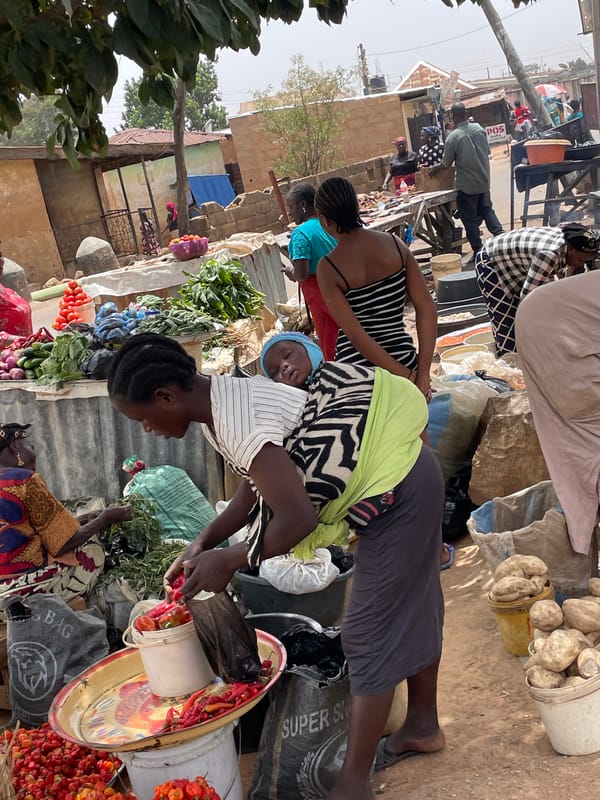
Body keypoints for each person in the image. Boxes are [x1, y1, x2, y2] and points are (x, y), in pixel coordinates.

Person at [107, 332, 445, 800]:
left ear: (167, 396)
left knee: (367, 633)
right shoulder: (220, 400)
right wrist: (204, 539)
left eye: (144, 418)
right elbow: (258, 481)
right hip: (410, 476)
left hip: (398, 494)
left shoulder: (235, 420)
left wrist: (232, 558)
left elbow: (298, 516)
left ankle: (352, 785)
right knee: (416, 603)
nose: (148, 429)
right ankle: (423, 725)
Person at [261, 330, 455, 570]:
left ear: (309, 348)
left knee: (416, 501)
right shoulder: (292, 410)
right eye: (274, 370)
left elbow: (388, 396)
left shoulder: (342, 374)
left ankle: (436, 550)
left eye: (287, 354)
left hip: (392, 462)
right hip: (358, 483)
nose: (285, 366)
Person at [314, 176, 437, 402]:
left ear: (324, 220)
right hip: (402, 355)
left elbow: (357, 336)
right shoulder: (394, 244)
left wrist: (407, 378)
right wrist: (422, 375)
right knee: (418, 433)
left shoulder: (329, 268)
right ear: (356, 206)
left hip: (358, 374)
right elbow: (427, 308)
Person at [515, 271, 600, 558]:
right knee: (588, 440)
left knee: (582, 444)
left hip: (544, 324)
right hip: (552, 335)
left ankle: (586, 531)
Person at [0, 423, 131, 607]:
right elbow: (61, 545)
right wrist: (105, 519)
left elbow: (23, 530)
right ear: (15, 446)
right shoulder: (23, 480)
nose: (34, 454)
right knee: (91, 547)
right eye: (31, 447)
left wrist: (80, 520)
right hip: (17, 596)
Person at [475, 223, 600, 355]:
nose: (580, 264)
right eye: (580, 260)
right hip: (492, 263)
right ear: (571, 249)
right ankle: (510, 364)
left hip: (519, 265)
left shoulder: (570, 241)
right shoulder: (549, 254)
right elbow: (527, 299)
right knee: (506, 322)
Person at [430, 102, 503, 261]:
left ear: (452, 116)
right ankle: (501, 237)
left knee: (469, 219)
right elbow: (487, 152)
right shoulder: (479, 130)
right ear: (466, 113)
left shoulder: (454, 137)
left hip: (466, 185)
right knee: (486, 210)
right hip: (483, 180)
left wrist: (435, 168)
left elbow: (446, 163)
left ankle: (478, 250)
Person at [282, 183, 339, 360]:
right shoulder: (328, 223)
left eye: (291, 207)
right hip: (341, 287)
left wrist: (291, 271)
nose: (289, 212)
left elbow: (302, 273)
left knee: (330, 342)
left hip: (320, 295)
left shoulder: (300, 233)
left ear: (303, 205)